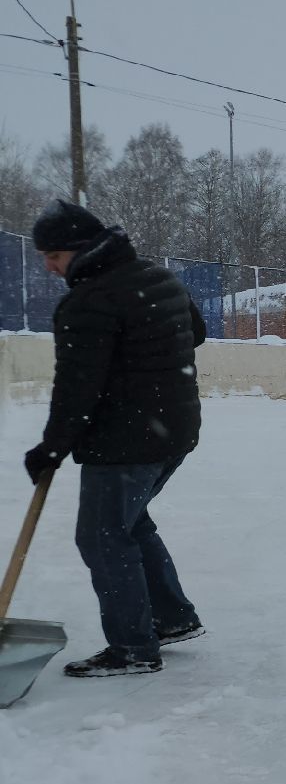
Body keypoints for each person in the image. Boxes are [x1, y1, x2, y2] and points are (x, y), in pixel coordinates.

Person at [22, 200, 207, 678]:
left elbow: (77, 388)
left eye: (54, 255)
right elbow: (197, 332)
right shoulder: (155, 277)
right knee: (131, 522)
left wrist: (51, 448)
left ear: (81, 250)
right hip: (175, 431)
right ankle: (171, 618)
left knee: (103, 537)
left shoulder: (89, 301)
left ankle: (132, 648)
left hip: (126, 440)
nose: (48, 265)